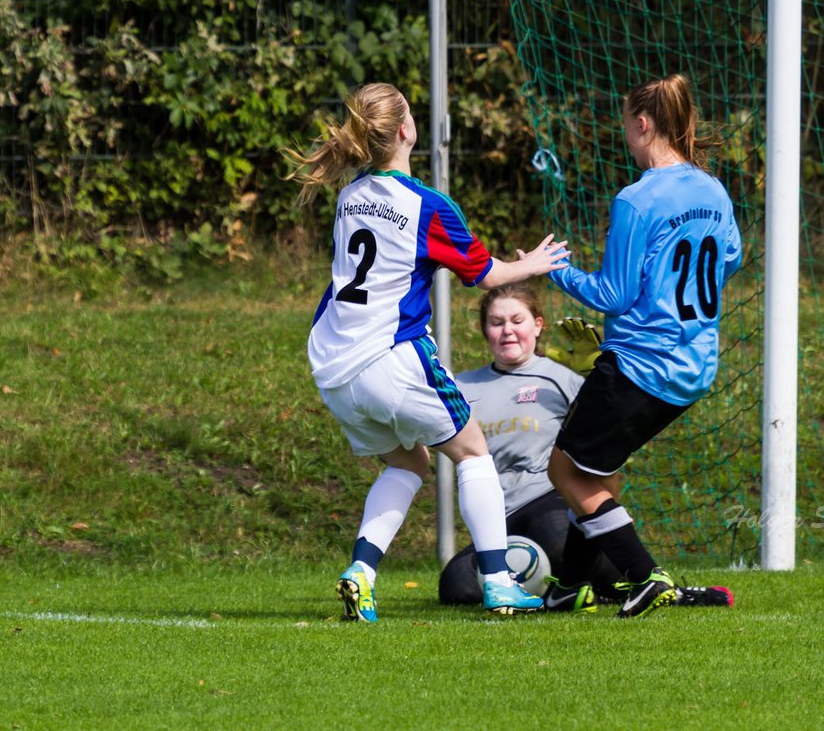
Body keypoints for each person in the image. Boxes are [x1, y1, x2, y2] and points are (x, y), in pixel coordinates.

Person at [286, 82, 570, 623]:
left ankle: (361, 573)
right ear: (406, 131)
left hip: (334, 366)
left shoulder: (351, 196)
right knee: (473, 451)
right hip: (390, 356)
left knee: (409, 461)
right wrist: (532, 263)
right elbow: (485, 275)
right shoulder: (427, 206)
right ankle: (498, 582)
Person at [543, 73, 742, 619]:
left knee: (563, 470)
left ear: (643, 123)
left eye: (626, 126)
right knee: (596, 472)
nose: (626, 135)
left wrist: (556, 270)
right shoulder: (712, 189)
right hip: (694, 364)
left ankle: (645, 576)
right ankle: (569, 586)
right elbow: (730, 259)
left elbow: (613, 293)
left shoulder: (637, 198)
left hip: (639, 364)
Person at [437, 283, 733, 610]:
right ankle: (566, 591)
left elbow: (601, 450)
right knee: (456, 585)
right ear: (485, 330)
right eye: (496, 322)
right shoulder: (461, 386)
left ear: (538, 325)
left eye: (517, 320)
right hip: (496, 515)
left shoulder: (562, 378)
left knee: (557, 541)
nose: (507, 330)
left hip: (547, 499)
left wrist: (592, 382)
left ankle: (661, 589)